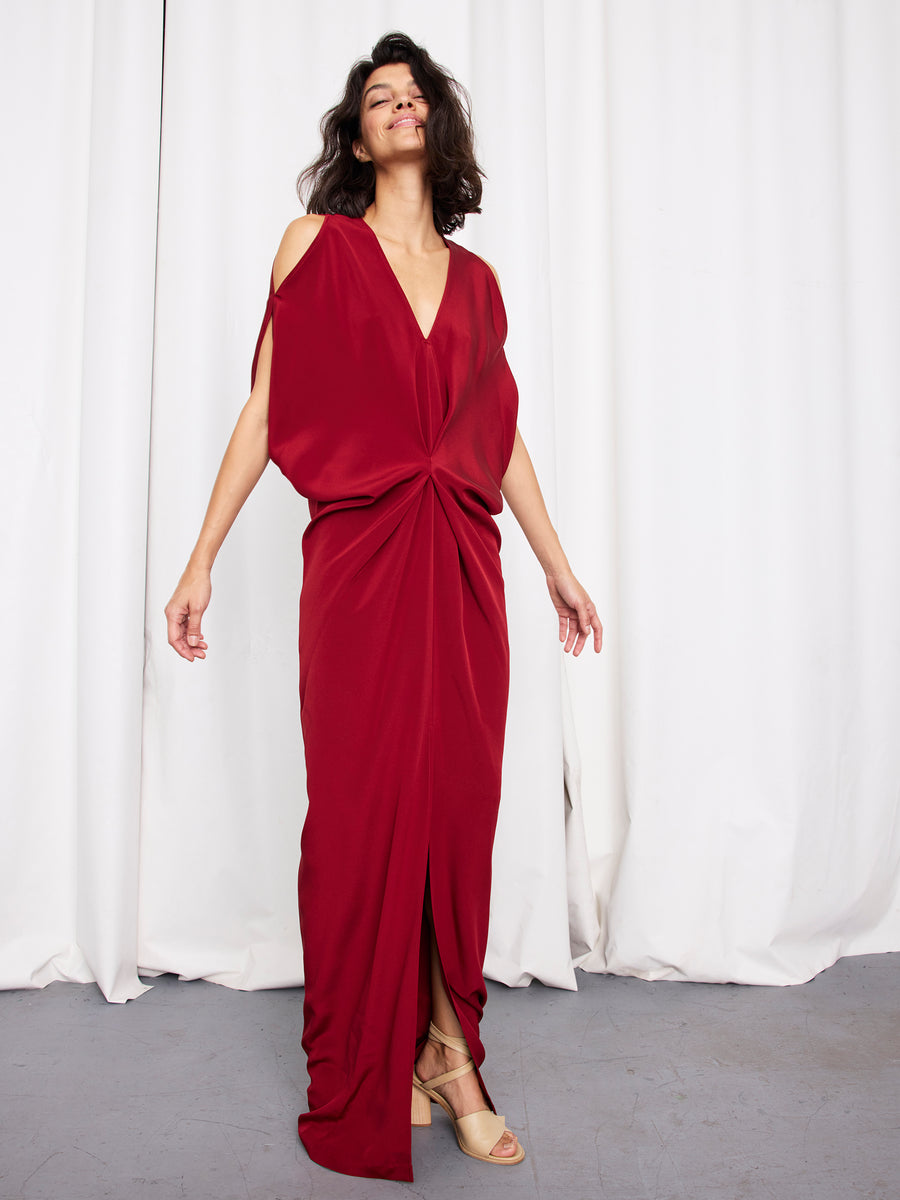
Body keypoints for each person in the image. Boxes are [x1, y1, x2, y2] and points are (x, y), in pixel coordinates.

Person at [164, 30, 602, 1184]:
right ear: (358, 133)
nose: (402, 107)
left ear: (436, 128)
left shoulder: (482, 284)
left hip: (459, 567)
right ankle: (379, 1052)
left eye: (416, 96)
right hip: (358, 565)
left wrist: (555, 562)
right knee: (361, 811)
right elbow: (268, 408)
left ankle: (446, 1053)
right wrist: (201, 555)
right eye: (380, 97)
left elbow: (499, 440)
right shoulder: (315, 244)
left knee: (455, 808)